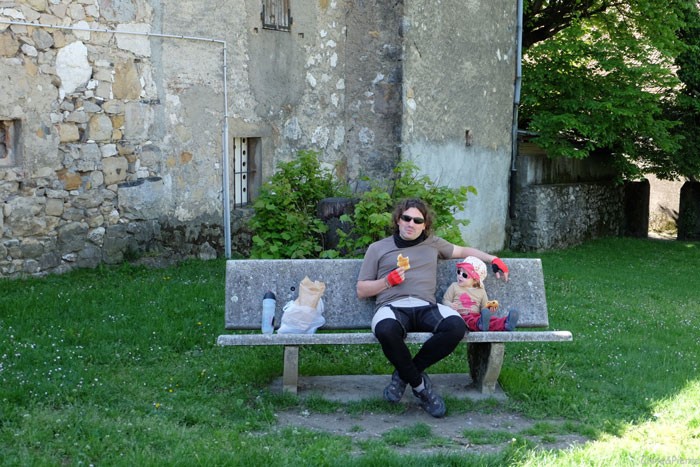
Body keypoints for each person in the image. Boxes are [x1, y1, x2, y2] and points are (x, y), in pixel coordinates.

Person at [356, 198, 510, 418]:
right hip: (392, 306)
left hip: (426, 305)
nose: (411, 224)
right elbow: (362, 290)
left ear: (424, 225)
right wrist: (387, 282)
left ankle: (404, 375)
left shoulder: (433, 244)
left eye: (417, 220)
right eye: (406, 218)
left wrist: (493, 258)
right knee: (385, 331)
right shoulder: (378, 248)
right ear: (398, 220)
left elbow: (463, 250)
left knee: (456, 327)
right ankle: (421, 389)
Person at [442, 256, 519, 332]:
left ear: (475, 280)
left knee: (491, 321)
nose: (460, 276)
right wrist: (450, 305)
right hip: (459, 316)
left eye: (465, 275)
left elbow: (484, 308)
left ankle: (505, 323)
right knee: (470, 320)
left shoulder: (481, 291)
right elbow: (445, 300)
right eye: (458, 272)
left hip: (477, 316)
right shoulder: (454, 286)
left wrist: (489, 309)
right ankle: (480, 325)